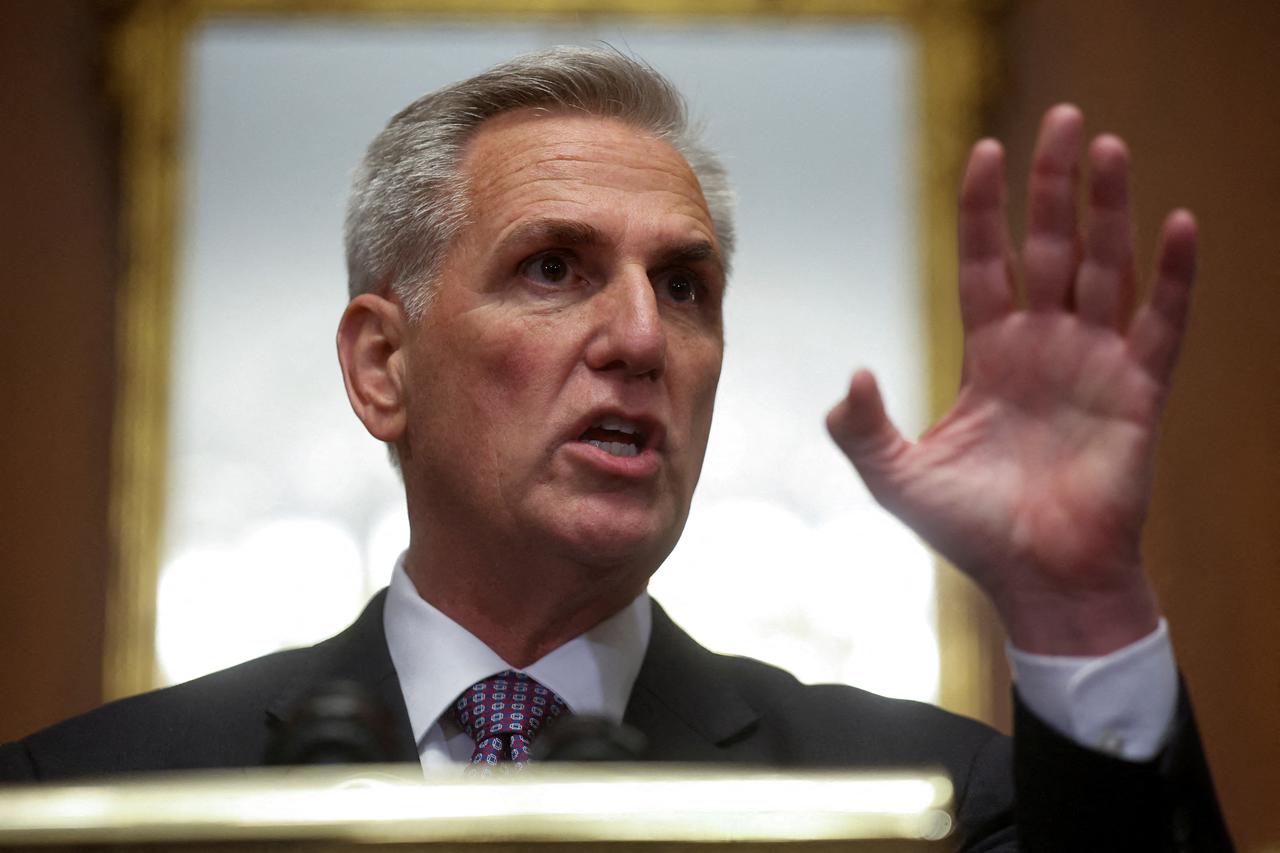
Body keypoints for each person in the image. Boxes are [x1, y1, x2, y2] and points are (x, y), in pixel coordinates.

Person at [0, 47, 1231, 851]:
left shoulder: (925, 803)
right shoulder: (91, 803)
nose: (641, 336)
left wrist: (1077, 606)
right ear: (383, 367)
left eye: (685, 287)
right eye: (554, 269)